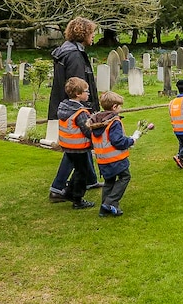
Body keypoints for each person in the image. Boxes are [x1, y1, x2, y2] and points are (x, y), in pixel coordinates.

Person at [48, 17, 100, 202]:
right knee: (74, 149)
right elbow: (78, 87)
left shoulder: (68, 50)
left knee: (81, 145)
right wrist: (87, 109)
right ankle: (57, 187)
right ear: (83, 33)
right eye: (92, 32)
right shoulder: (74, 55)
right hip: (75, 109)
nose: (94, 36)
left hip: (67, 106)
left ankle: (91, 180)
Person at [88, 91, 142, 217]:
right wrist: (132, 140)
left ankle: (104, 209)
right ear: (114, 107)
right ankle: (110, 202)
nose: (121, 108)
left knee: (109, 182)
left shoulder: (97, 121)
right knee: (125, 177)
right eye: (120, 106)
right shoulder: (114, 122)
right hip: (115, 158)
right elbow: (118, 141)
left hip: (102, 159)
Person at [57, 77, 97, 209]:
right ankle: (78, 200)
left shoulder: (63, 107)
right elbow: (87, 130)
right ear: (78, 94)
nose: (88, 93)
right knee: (82, 173)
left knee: (78, 170)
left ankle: (68, 193)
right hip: (79, 147)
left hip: (67, 146)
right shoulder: (80, 112)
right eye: (86, 91)